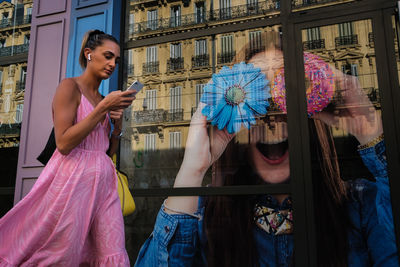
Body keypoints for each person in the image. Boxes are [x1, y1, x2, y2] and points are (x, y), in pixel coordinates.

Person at [134, 32, 399, 267]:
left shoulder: (363, 205)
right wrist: (193, 169)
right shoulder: (201, 219)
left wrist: (369, 129)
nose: (270, 114)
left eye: (286, 90)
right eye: (256, 94)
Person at [0, 30, 135, 266]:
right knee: (64, 253)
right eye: (107, 56)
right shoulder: (69, 87)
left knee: (113, 250)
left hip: (104, 184)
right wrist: (102, 109)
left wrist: (117, 124)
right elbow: (63, 143)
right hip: (73, 182)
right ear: (89, 54)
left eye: (116, 59)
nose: (113, 63)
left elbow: (107, 153)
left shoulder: (103, 97)